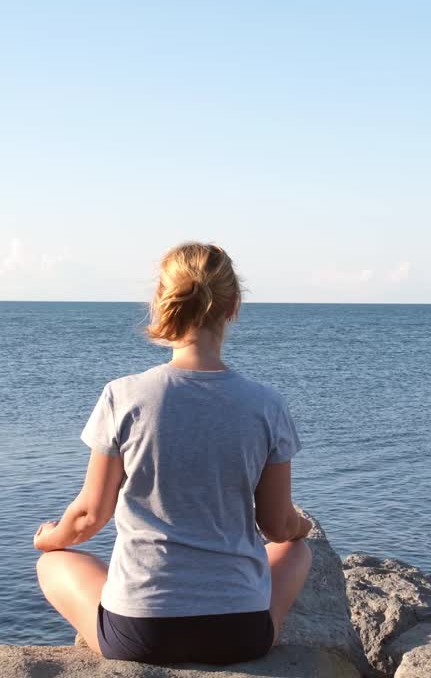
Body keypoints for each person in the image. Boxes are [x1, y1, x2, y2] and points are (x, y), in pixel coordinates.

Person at [32, 242, 314, 665]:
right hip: (239, 634)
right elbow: (275, 525)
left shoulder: (124, 396)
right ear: (233, 305)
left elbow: (90, 516)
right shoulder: (265, 404)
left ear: (162, 303)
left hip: (141, 635)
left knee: (53, 564)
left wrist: (49, 538)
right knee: (298, 551)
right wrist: (301, 527)